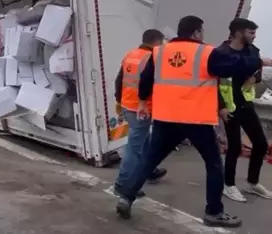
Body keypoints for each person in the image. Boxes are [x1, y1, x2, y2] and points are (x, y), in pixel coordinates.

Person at [115, 15, 272, 228]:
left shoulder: (159, 52)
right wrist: (260, 61)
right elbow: (234, 67)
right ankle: (214, 211)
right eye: (202, 31)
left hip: (166, 117)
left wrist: (142, 102)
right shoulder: (206, 52)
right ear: (196, 33)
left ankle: (126, 197)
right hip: (196, 118)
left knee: (149, 160)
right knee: (214, 164)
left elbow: (146, 80)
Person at [218, 18, 272, 202]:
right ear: (239, 32)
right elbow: (214, 81)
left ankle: (252, 182)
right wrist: (221, 107)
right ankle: (229, 185)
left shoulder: (252, 50)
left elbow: (258, 69)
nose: (254, 36)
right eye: (251, 32)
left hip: (246, 104)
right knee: (234, 147)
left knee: (261, 144)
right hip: (229, 106)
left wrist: (255, 79)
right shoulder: (222, 52)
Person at [113, 29, 167, 199]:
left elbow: (119, 79)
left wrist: (120, 101)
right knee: (134, 148)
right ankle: (123, 185)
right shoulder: (153, 58)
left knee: (144, 142)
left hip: (129, 105)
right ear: (157, 42)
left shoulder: (131, 54)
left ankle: (149, 171)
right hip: (142, 108)